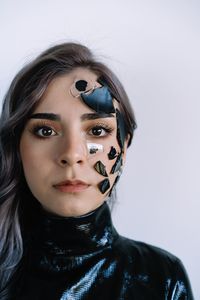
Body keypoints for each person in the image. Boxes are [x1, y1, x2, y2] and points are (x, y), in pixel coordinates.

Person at [0, 42, 194, 300]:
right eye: (45, 131)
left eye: (97, 130)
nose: (72, 154)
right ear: (16, 147)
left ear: (123, 147)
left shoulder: (163, 279)